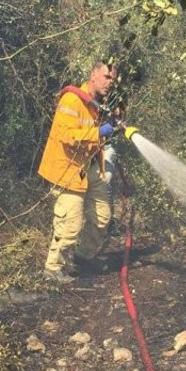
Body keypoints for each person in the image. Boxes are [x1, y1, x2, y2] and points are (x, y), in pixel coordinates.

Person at [36, 62, 122, 283]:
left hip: (89, 166)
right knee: (70, 224)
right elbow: (67, 135)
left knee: (103, 216)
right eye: (106, 77)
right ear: (93, 75)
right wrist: (99, 132)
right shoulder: (72, 100)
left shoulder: (95, 104)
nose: (109, 83)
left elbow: (93, 135)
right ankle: (52, 269)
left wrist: (111, 124)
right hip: (68, 169)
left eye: (113, 79)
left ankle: (84, 257)